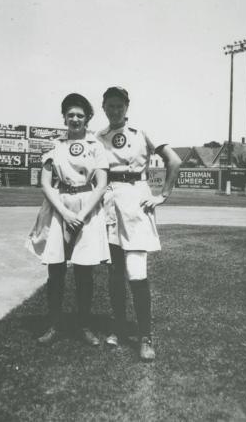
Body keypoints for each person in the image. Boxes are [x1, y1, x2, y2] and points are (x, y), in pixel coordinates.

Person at [97, 86, 181, 361]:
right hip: (110, 204)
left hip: (136, 202)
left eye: (119, 105)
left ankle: (145, 337)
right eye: (110, 105)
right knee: (114, 274)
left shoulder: (142, 132)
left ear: (127, 107)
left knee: (136, 272)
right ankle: (119, 329)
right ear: (104, 107)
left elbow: (174, 161)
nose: (114, 110)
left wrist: (163, 194)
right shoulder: (99, 137)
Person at [27, 93, 110, 345]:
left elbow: (102, 183)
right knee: (56, 271)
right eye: (71, 114)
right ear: (64, 117)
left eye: (80, 115)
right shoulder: (56, 145)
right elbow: (45, 182)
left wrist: (82, 215)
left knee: (85, 272)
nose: (75, 119)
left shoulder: (96, 145)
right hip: (59, 208)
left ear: (87, 119)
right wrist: (64, 213)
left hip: (87, 209)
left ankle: (84, 326)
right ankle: (54, 324)